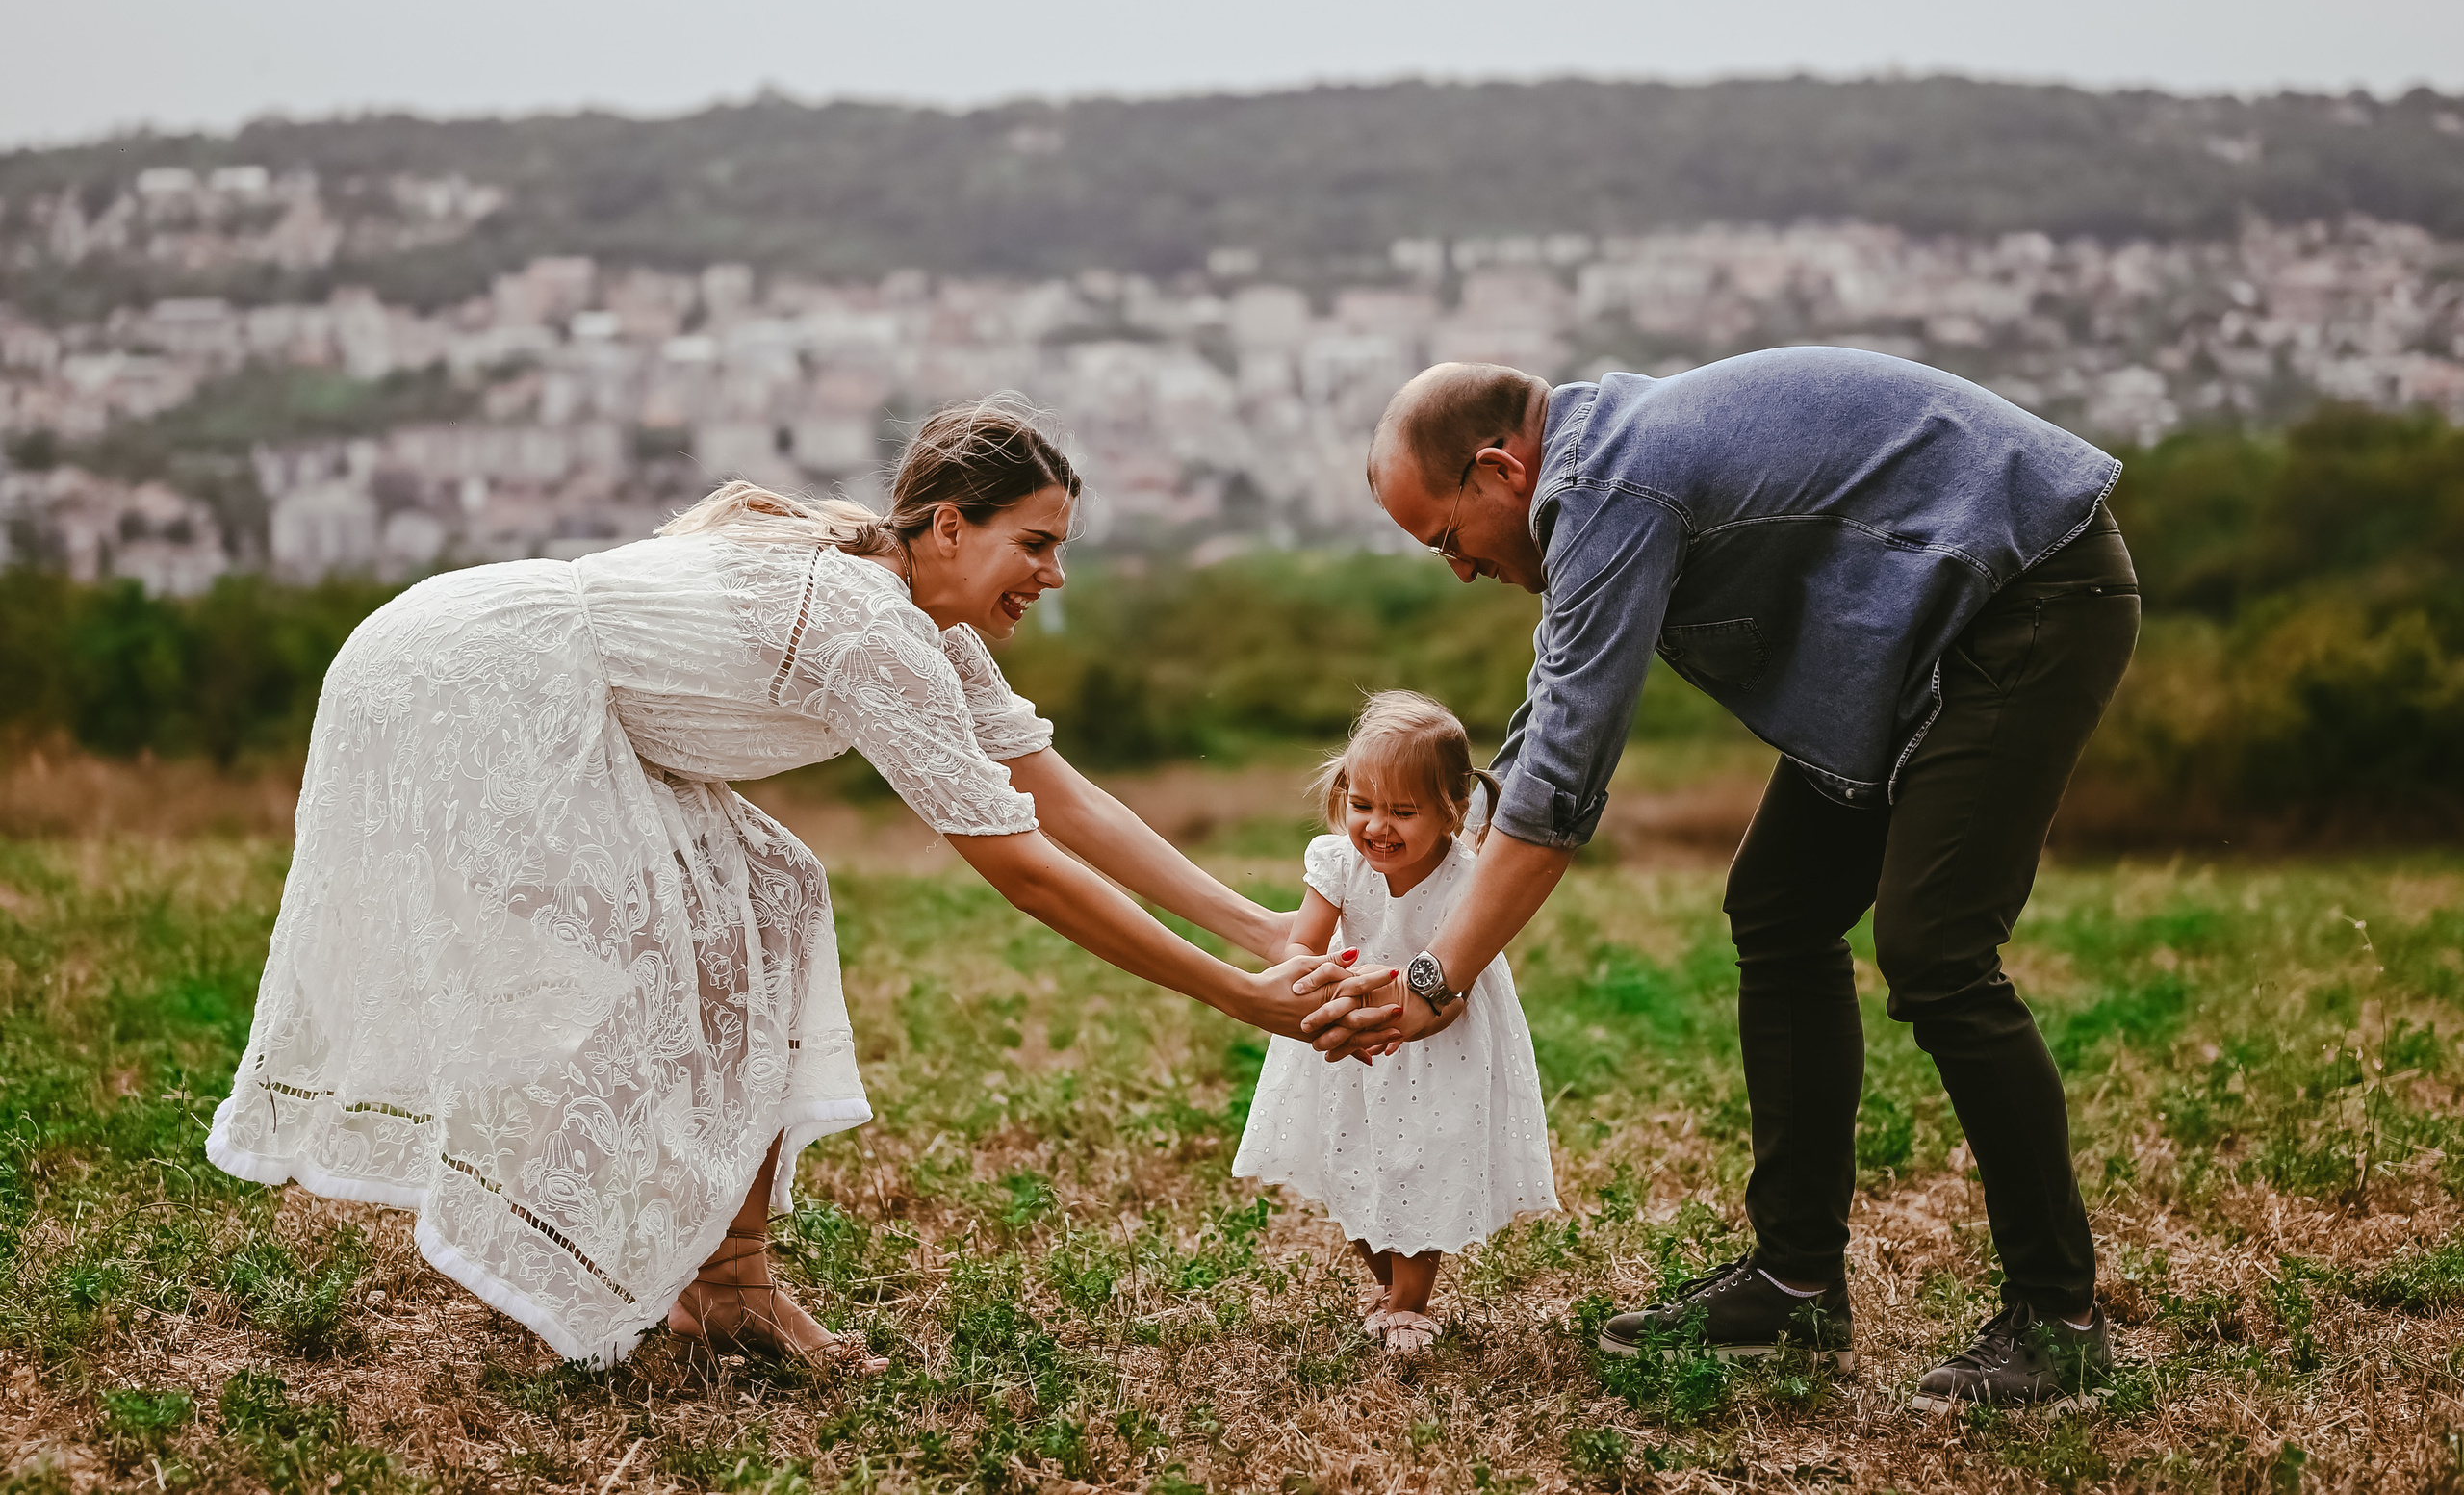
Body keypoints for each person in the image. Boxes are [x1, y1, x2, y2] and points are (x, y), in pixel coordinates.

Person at [207, 396, 1326, 1370]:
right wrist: (1239, 999)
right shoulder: (871, 631)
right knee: (666, 952)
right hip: (473, 682)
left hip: (514, 673)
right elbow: (1023, 869)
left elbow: (1061, 800)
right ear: (947, 526)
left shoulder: (926, 628)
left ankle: (727, 1284)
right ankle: (591, 1240)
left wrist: (1264, 931)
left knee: (771, 898)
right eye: (1033, 544)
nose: (1054, 574)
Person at [1301, 349, 2141, 1409]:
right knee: (1781, 909)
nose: (1458, 569)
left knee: (1935, 950)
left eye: (1445, 538)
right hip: (1924, 627)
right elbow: (1548, 713)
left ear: (1500, 469)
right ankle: (1795, 1286)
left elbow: (1564, 777)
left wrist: (1435, 980)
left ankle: (2059, 1319)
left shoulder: (1612, 486)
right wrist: (1429, 866)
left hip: (2029, 591)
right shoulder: (1601, 475)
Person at [1232, 692, 1559, 1353]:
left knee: (1418, 1165)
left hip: (1436, 1045)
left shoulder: (1470, 881)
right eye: (1363, 805)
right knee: (1347, 1161)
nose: (1378, 827)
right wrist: (1321, 986)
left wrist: (1405, 1009)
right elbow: (1301, 945)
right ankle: (1387, 1284)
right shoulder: (1339, 864)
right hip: (1350, 1037)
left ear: (1452, 809)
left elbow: (1455, 993)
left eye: (1403, 812)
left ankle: (1410, 1305)